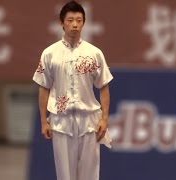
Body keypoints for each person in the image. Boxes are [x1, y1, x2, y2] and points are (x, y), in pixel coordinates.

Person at [32, 1, 113, 180]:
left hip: (89, 121)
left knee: (90, 173)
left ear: (84, 22)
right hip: (61, 121)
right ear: (62, 23)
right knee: (64, 174)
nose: (75, 24)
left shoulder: (94, 53)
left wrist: (104, 118)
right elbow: (43, 87)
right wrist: (44, 121)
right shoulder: (49, 54)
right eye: (70, 20)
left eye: (79, 20)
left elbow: (104, 86)